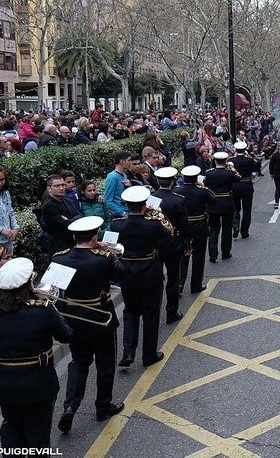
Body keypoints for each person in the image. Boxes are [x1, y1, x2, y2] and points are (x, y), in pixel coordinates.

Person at [0, 257, 72, 453]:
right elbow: (66, 336)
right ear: (28, 284)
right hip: (39, 382)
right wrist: (56, 308)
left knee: (11, 426)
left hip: (6, 382)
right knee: (38, 434)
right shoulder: (43, 309)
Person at [53, 217, 125, 433]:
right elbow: (121, 274)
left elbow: (55, 288)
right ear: (95, 237)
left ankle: (70, 407)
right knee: (105, 363)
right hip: (100, 316)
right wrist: (110, 253)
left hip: (73, 318)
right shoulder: (103, 258)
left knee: (78, 362)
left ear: (74, 237)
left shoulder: (60, 258)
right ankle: (102, 407)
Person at [110, 186, 174, 368]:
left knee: (130, 312)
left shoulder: (116, 224)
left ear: (127, 205)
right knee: (150, 315)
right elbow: (169, 239)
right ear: (145, 205)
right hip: (150, 273)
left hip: (127, 273)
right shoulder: (153, 224)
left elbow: (111, 245)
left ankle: (128, 353)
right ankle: (149, 355)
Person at [152, 167, 192, 324]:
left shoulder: (151, 199)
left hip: (155, 245)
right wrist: (188, 244)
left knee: (156, 281)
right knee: (173, 280)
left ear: (157, 181)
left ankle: (154, 313)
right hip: (174, 244)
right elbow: (184, 226)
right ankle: (171, 313)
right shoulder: (178, 199)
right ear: (173, 181)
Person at [177, 165, 215, 294]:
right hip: (199, 226)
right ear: (196, 178)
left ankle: (180, 284)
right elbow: (213, 199)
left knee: (183, 257)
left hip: (183, 227)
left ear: (183, 177)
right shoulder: (202, 191)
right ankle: (196, 285)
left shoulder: (178, 191)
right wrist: (203, 186)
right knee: (198, 258)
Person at [204, 152, 240, 263]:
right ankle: (225, 253)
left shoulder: (209, 173)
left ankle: (213, 254)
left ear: (215, 161)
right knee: (226, 229)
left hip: (213, 204)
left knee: (213, 230)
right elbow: (238, 178)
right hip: (226, 203)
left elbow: (205, 184)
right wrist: (232, 168)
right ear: (225, 161)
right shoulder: (229, 173)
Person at [40, 174, 83, 258]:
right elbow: (65, 225)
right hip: (60, 247)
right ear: (49, 189)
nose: (61, 188)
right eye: (57, 186)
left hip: (73, 243)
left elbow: (80, 216)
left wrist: (71, 219)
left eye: (63, 185)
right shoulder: (48, 206)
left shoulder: (67, 201)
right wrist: (73, 220)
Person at [228, 141, 255, 239]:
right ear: (245, 149)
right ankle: (244, 231)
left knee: (235, 209)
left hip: (235, 186)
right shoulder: (249, 160)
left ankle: (235, 225)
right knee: (247, 210)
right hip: (247, 185)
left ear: (235, 149)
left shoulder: (231, 160)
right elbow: (254, 168)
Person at [104, 150, 132, 219]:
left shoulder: (124, 175)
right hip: (119, 215)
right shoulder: (112, 177)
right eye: (129, 160)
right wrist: (122, 213)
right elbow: (108, 201)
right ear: (122, 162)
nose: (130, 163)